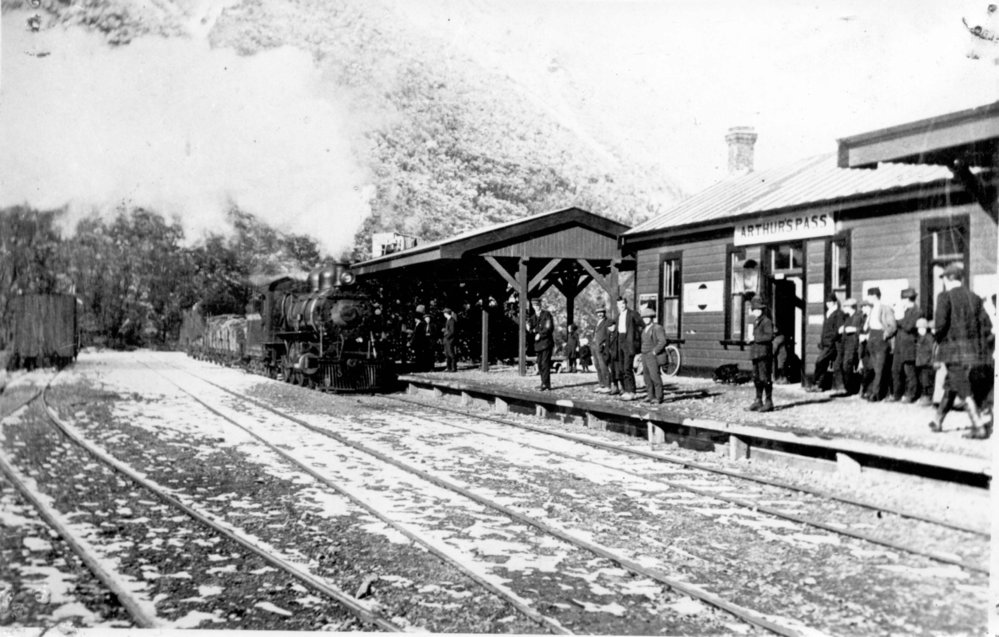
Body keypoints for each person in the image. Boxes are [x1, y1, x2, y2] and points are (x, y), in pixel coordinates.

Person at [929, 264, 993, 439]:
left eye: (943, 279)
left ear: (948, 279)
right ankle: (937, 420)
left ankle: (978, 426)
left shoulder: (944, 297)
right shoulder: (975, 298)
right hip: (974, 352)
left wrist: (936, 338)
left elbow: (940, 325)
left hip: (953, 351)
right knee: (952, 383)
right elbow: (987, 326)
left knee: (962, 387)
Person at [862, 287, 897, 401]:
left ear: (874, 296)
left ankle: (876, 394)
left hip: (880, 339)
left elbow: (892, 325)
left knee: (879, 368)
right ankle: (871, 391)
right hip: (871, 338)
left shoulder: (885, 308)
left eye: (869, 296)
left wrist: (885, 335)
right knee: (873, 367)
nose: (868, 299)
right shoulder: (872, 310)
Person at [808, 294, 844, 392]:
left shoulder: (838, 313)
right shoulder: (828, 313)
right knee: (823, 363)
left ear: (835, 302)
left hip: (832, 344)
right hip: (826, 343)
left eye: (830, 302)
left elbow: (840, 329)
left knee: (820, 361)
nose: (828, 304)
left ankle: (816, 383)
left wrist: (832, 339)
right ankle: (818, 385)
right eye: (827, 302)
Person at [889, 288, 920, 402]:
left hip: (909, 346)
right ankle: (897, 394)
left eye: (903, 299)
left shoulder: (917, 311)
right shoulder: (906, 311)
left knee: (909, 372)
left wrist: (898, 319)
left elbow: (908, 326)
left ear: (907, 299)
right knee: (895, 370)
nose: (901, 302)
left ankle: (911, 395)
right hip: (899, 345)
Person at [747, 296, 775, 412]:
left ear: (762, 310)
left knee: (765, 378)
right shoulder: (755, 321)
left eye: (759, 309)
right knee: (756, 378)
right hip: (755, 353)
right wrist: (750, 340)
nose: (756, 311)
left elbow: (769, 336)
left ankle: (769, 402)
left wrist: (755, 338)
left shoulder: (767, 321)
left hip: (764, 354)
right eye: (755, 309)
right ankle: (758, 400)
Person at [614, 297, 644, 401]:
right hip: (620, 342)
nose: (621, 306)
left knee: (627, 368)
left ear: (626, 304)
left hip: (629, 344)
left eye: (622, 304)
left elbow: (642, 325)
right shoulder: (618, 317)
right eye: (619, 304)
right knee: (622, 368)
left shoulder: (632, 314)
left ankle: (632, 391)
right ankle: (626, 390)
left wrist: (636, 339)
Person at [639, 307, 668, 404]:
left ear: (652, 318)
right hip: (644, 355)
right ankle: (650, 396)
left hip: (652, 356)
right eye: (644, 318)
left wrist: (654, 351)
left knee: (655, 376)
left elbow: (663, 341)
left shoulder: (657, 328)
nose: (645, 319)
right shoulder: (644, 329)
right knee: (646, 377)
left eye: (647, 317)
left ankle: (659, 397)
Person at [528, 294, 555, 391]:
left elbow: (549, 328)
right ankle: (544, 383)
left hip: (546, 343)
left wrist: (540, 334)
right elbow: (530, 330)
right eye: (534, 305)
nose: (536, 307)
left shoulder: (546, 315)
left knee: (545, 363)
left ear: (540, 305)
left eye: (537, 305)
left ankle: (545, 384)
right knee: (539, 364)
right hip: (538, 345)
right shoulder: (532, 317)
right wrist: (532, 330)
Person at [915, 317, 935, 407]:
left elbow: (931, 351)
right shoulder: (920, 337)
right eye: (919, 328)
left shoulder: (929, 338)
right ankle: (925, 396)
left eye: (922, 328)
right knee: (923, 380)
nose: (920, 330)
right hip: (921, 363)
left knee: (927, 381)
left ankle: (928, 397)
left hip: (927, 363)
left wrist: (928, 360)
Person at [592, 307, 612, 393]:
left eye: (601, 312)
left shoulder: (608, 322)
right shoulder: (597, 322)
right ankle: (602, 384)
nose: (600, 314)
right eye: (598, 313)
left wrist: (605, 344)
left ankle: (607, 385)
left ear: (604, 313)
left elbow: (609, 335)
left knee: (603, 366)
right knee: (597, 366)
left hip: (602, 347)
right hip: (595, 346)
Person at [442, 307, 458, 372]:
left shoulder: (452, 321)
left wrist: (447, 336)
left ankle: (453, 367)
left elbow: (452, 331)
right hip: (447, 339)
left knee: (451, 353)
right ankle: (449, 368)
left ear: (446, 313)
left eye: (444, 313)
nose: (443, 314)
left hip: (450, 340)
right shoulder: (448, 320)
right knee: (447, 354)